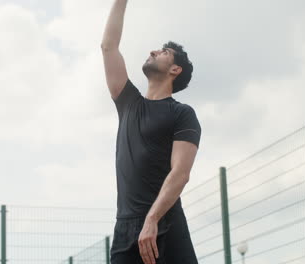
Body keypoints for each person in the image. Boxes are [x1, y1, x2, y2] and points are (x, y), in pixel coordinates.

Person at [101, 1, 201, 264]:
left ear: (175, 69)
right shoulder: (128, 102)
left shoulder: (182, 114)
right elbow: (108, 46)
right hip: (126, 228)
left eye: (164, 51)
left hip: (165, 224)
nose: (153, 51)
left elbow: (180, 172)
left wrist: (153, 218)